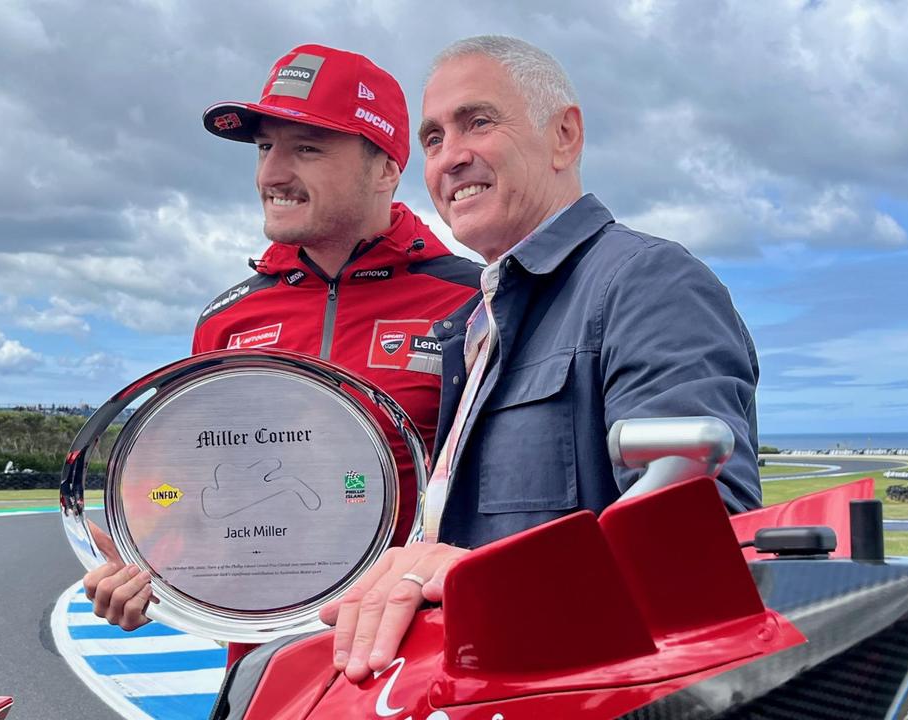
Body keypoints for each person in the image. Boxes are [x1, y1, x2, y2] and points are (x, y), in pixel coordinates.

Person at [320, 35, 764, 682]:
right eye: (434, 139)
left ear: (564, 136)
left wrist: (473, 576)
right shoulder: (474, 326)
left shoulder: (648, 283)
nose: (451, 157)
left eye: (478, 122)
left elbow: (712, 546)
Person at [82, 44, 482, 660]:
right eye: (267, 147)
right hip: (267, 670)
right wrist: (152, 577)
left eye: (307, 149)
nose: (272, 174)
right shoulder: (227, 320)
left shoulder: (475, 299)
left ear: (384, 168)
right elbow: (195, 499)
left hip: (421, 663)